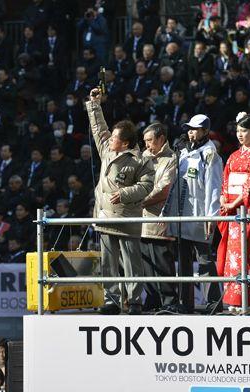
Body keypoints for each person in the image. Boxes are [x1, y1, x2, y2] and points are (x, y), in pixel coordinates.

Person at [86, 87, 154, 315]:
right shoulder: (106, 151)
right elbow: (98, 129)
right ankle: (111, 300)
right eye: (112, 135)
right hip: (105, 215)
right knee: (108, 262)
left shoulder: (141, 160)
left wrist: (124, 194)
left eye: (115, 137)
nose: (110, 138)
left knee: (132, 261)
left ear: (125, 143)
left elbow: (147, 186)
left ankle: (135, 301)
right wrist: (95, 104)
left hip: (127, 217)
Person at [166, 114, 223, 313]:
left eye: (195, 129)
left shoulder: (209, 153)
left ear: (206, 131)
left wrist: (211, 216)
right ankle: (186, 303)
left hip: (200, 215)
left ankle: (213, 303)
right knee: (183, 262)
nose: (191, 132)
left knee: (205, 259)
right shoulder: (183, 152)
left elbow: (214, 186)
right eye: (189, 128)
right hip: (183, 214)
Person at [217, 112, 250, 313]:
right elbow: (226, 181)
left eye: (244, 130)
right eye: (238, 131)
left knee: (244, 255)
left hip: (246, 211)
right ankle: (234, 300)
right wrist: (223, 198)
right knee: (232, 256)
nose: (240, 134)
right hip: (231, 209)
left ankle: (249, 300)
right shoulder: (233, 156)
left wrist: (234, 203)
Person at [140, 123, 178, 310]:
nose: (146, 145)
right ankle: (152, 299)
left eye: (149, 140)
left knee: (162, 262)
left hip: (160, 219)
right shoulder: (142, 157)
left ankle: (169, 301)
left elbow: (164, 188)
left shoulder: (171, 158)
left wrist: (139, 201)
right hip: (141, 220)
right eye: (145, 141)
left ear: (161, 138)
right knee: (146, 264)